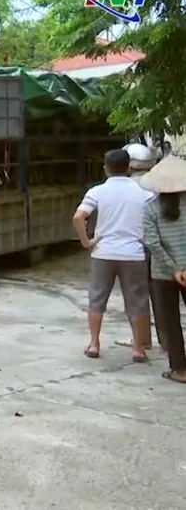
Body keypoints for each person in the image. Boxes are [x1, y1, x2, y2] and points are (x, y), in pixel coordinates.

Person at [73, 149, 153, 362]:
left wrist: (86, 242)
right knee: (137, 302)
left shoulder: (97, 191)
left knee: (97, 299)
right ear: (129, 168)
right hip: (134, 254)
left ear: (106, 169)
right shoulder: (144, 193)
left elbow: (78, 217)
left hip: (103, 252)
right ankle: (138, 348)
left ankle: (94, 344)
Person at [140, 155, 186, 383]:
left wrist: (173, 269)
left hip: (162, 273)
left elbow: (153, 243)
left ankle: (180, 369)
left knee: (170, 322)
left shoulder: (150, 209)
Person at [116, 143, 160, 351]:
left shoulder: (128, 188)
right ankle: (167, 341)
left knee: (137, 297)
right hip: (159, 246)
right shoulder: (157, 185)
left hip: (138, 247)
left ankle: (142, 339)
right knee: (160, 297)